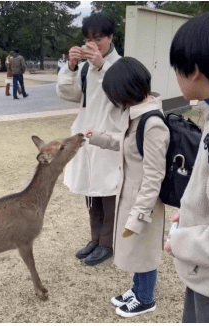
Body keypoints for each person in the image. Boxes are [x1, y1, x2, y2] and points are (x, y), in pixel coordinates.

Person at [86, 57, 169, 318]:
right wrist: (97, 138)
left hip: (143, 204)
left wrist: (140, 215)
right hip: (129, 197)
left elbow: (155, 176)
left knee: (143, 254)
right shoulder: (134, 116)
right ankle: (136, 290)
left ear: (124, 91)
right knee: (134, 251)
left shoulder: (152, 123)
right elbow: (125, 146)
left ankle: (145, 299)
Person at [164, 12, 209, 323]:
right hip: (206, 275)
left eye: (176, 69)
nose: (176, 76)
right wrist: (191, 213)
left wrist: (182, 240)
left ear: (194, 70)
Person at [56, 12, 122, 265]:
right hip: (86, 135)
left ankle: (108, 243)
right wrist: (71, 67)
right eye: (88, 39)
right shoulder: (84, 69)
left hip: (109, 136)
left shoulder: (120, 66)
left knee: (109, 190)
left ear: (111, 37)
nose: (93, 44)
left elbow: (121, 94)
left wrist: (102, 66)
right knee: (90, 190)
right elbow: (70, 95)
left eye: (99, 38)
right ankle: (95, 239)